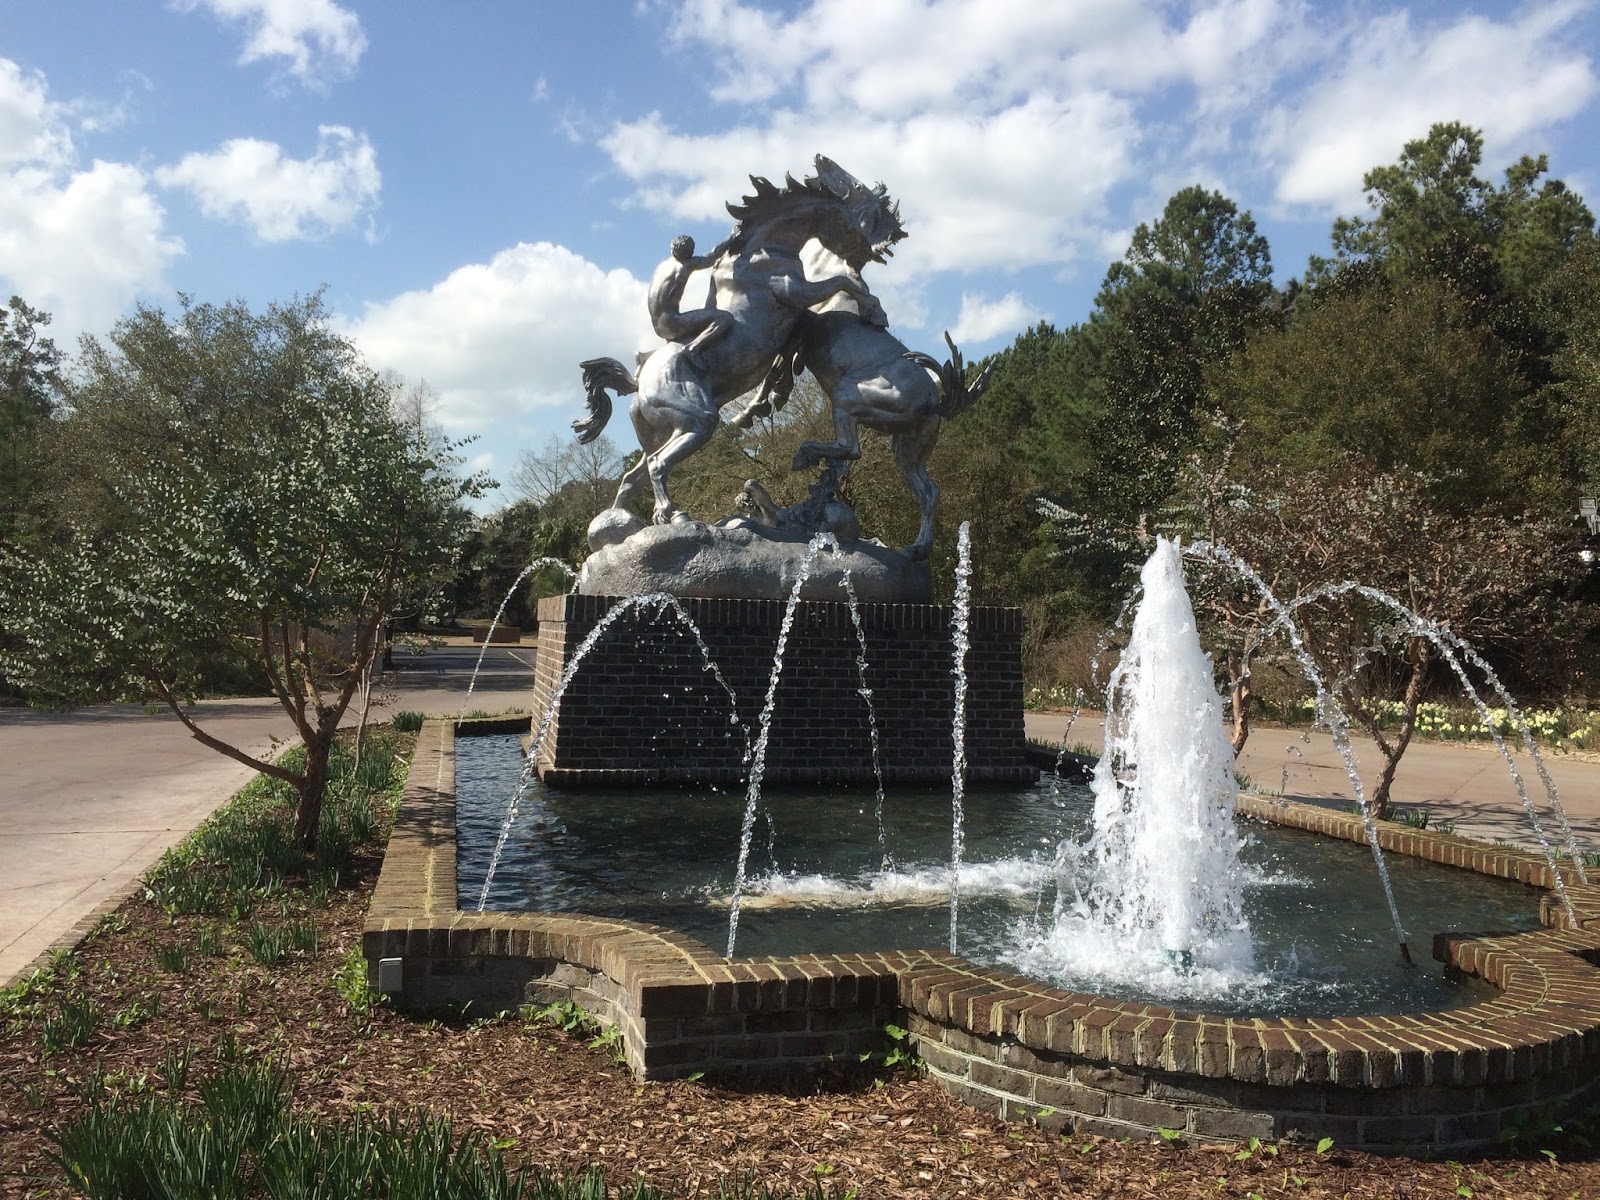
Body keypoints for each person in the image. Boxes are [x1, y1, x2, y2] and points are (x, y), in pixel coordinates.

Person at [648, 235, 733, 368]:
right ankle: (693, 349)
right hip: (672, 323)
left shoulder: (662, 266)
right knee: (724, 318)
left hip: (657, 326)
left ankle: (645, 357)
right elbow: (712, 256)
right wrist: (732, 237)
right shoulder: (687, 264)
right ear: (689, 252)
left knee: (701, 321)